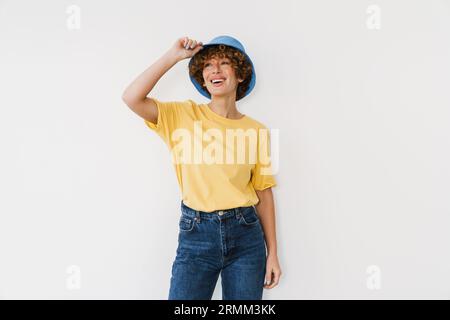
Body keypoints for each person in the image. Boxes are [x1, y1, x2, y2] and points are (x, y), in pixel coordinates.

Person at [122, 35, 282, 300]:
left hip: (246, 236)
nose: (215, 70)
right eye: (207, 65)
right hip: (196, 235)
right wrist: (173, 56)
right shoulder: (182, 116)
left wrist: (272, 253)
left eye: (224, 63)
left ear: (240, 74)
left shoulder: (257, 131)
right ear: (202, 76)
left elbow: (264, 193)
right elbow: (131, 97)